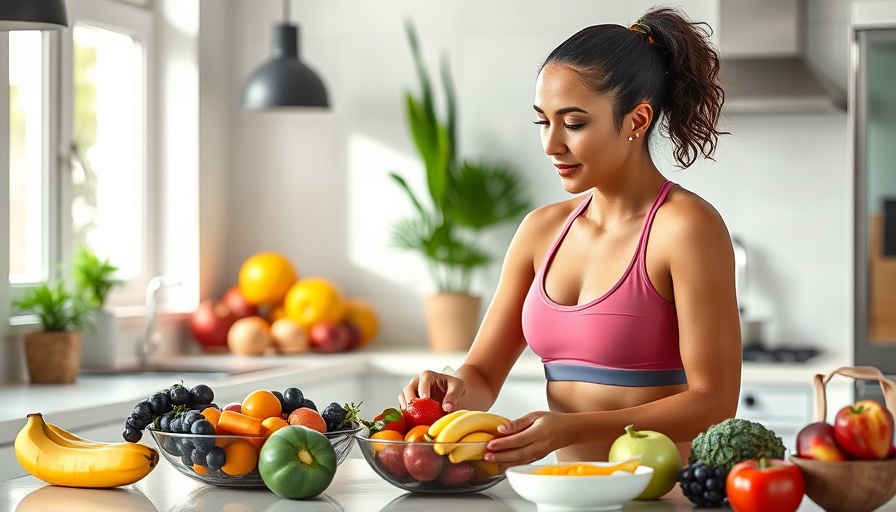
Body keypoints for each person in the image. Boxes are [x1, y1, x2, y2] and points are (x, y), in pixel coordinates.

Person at [399, 5, 742, 468]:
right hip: (567, 491)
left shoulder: (687, 229)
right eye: (543, 121)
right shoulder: (540, 230)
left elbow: (714, 402)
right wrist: (453, 387)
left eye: (574, 123)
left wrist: (569, 429)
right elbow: (482, 373)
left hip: (663, 497)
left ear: (636, 121)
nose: (550, 144)